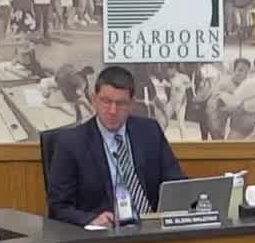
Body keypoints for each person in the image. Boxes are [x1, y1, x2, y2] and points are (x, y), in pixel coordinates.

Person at [45, 65, 186, 228]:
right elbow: (58, 207)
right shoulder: (72, 143)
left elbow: (176, 184)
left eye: (121, 103)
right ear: (94, 100)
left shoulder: (149, 132)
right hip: (105, 236)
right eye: (106, 101)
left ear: (132, 104)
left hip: (151, 230)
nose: (112, 111)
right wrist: (91, 219)